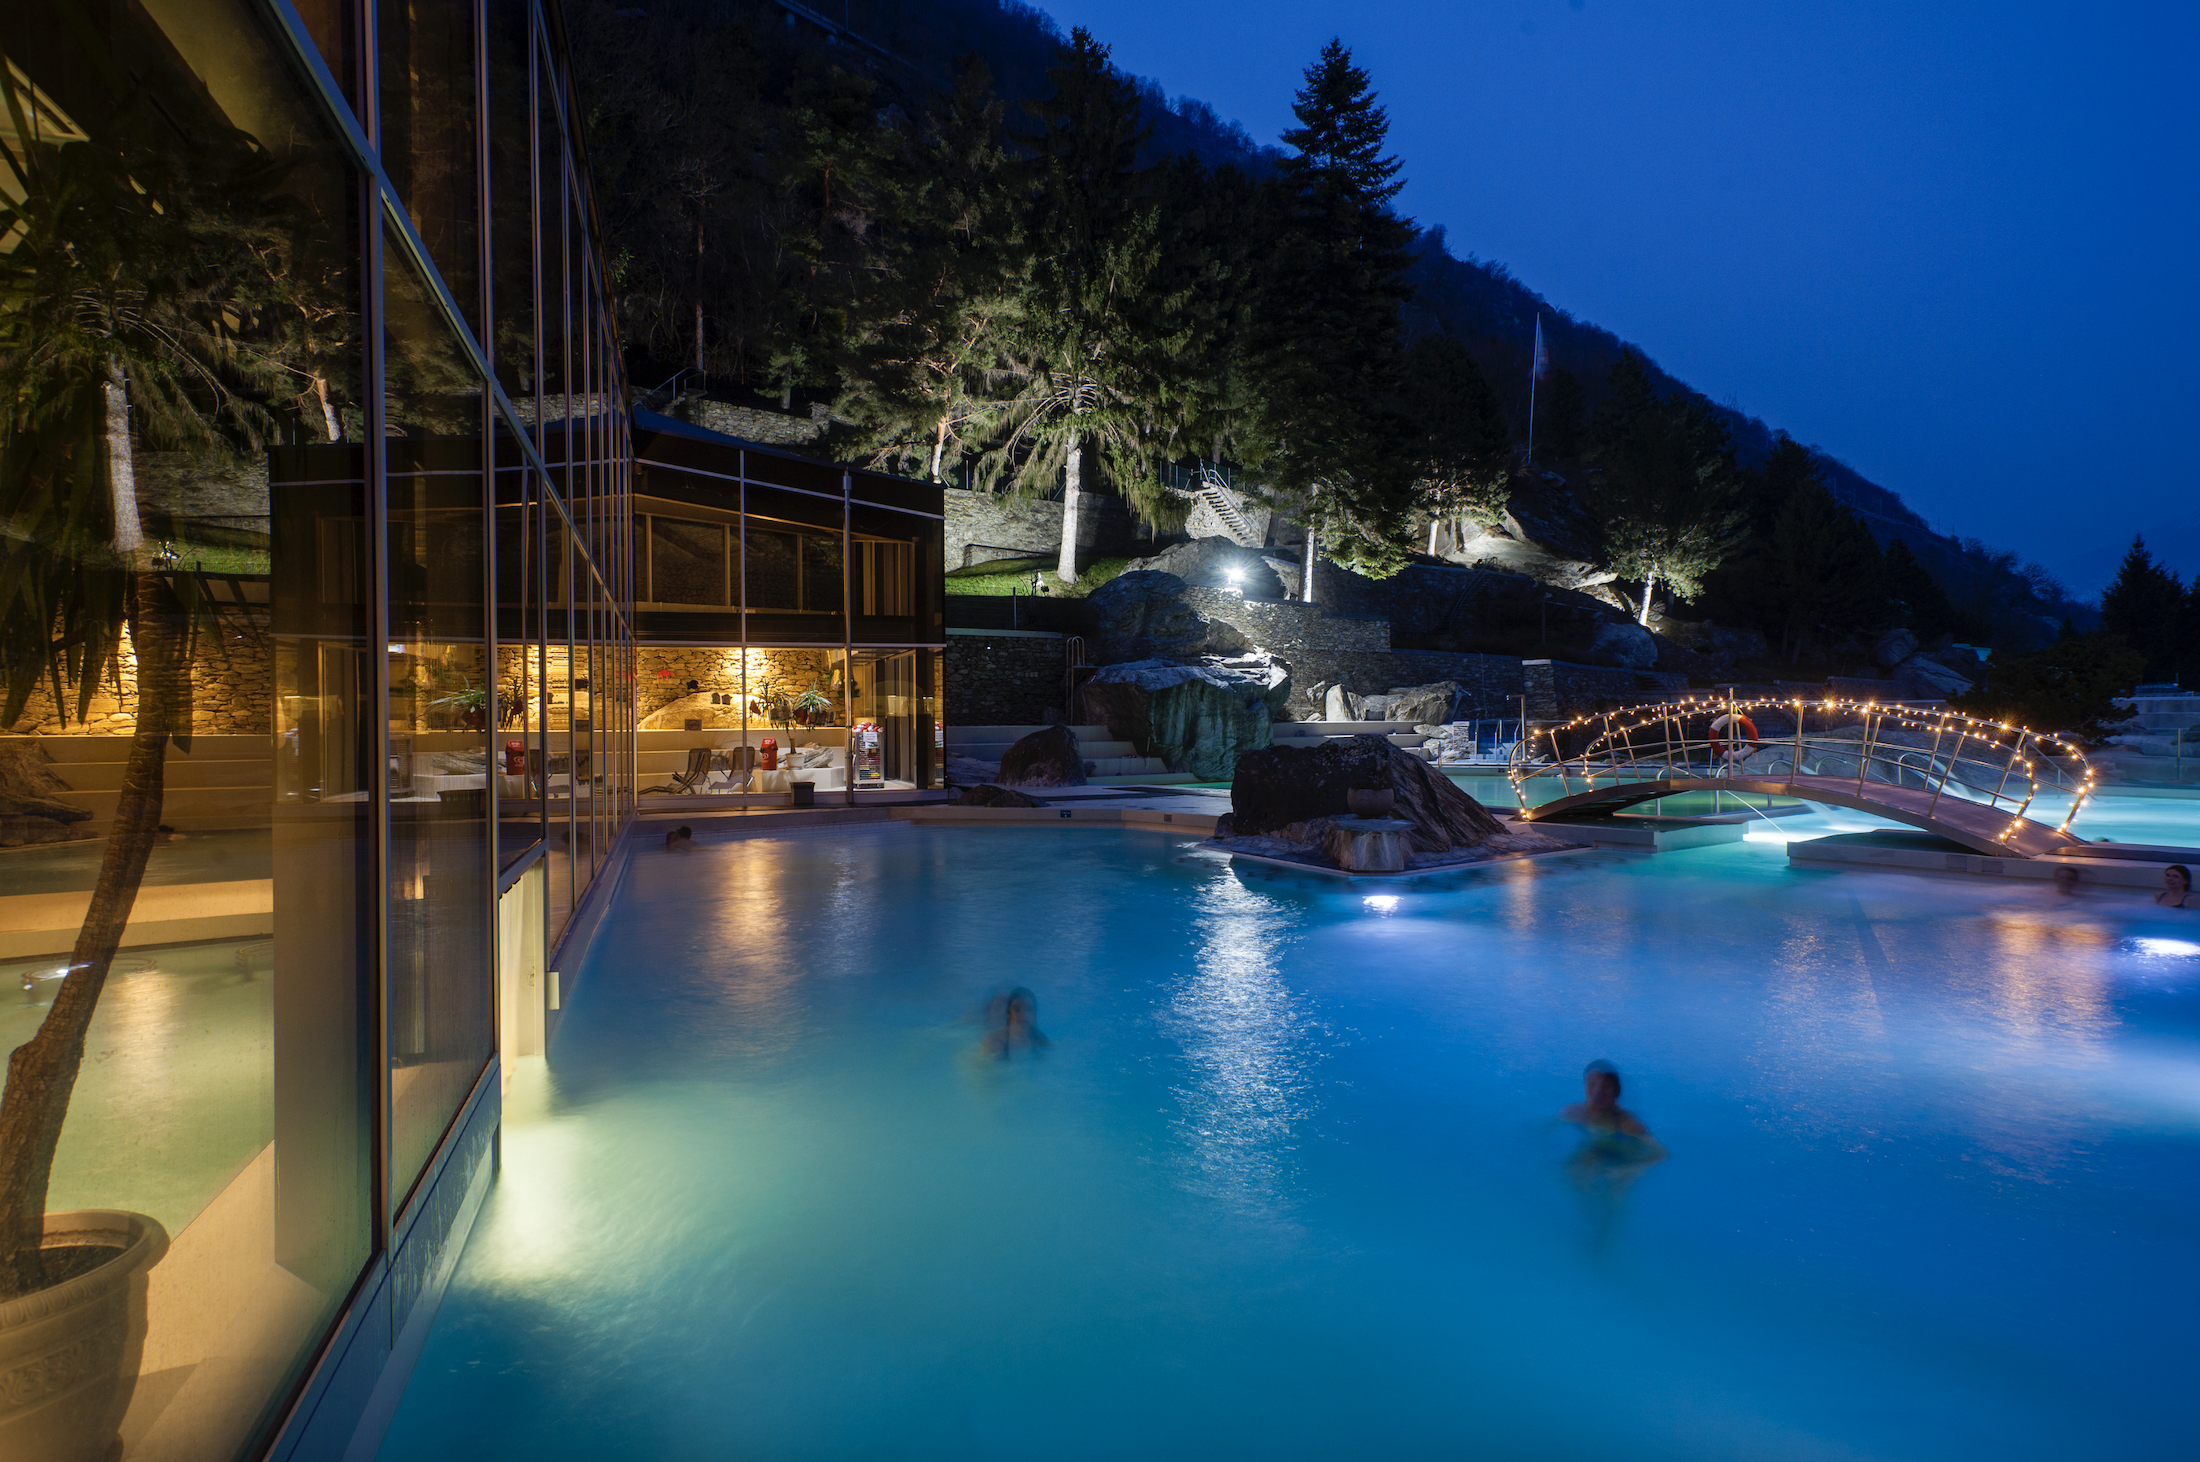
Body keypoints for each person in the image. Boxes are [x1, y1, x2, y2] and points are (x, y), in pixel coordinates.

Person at [981, 986, 1049, 1059]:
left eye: (1029, 1009)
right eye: (1017, 1010)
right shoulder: (994, 1043)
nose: (1023, 1015)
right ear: (1008, 1014)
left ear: (1034, 1014)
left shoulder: (1041, 1041)